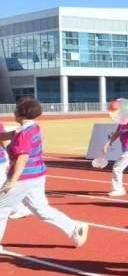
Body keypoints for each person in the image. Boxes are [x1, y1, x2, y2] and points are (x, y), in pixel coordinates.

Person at [0, 97, 89, 251]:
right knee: (41, 209)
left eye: (16, 109)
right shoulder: (32, 128)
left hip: (23, 178)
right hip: (37, 175)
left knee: (2, 208)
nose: (13, 112)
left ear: (22, 113)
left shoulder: (24, 134)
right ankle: (75, 228)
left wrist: (13, 180)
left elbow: (22, 158)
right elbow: (8, 135)